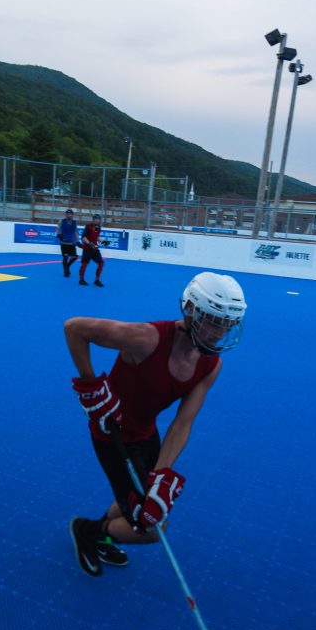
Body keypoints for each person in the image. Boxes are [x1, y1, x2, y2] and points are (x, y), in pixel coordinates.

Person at [65, 272, 247, 576]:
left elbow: (182, 423)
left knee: (144, 501)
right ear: (191, 310)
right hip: (112, 436)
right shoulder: (146, 338)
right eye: (215, 320)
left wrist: (161, 476)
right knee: (151, 528)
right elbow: (74, 329)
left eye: (229, 323)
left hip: (148, 435)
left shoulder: (212, 364)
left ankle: (95, 531)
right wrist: (91, 385)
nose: (221, 332)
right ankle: (88, 532)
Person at [78, 214, 106, 287]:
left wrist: (103, 241)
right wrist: (90, 244)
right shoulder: (88, 226)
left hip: (95, 249)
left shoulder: (99, 227)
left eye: (98, 219)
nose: (97, 220)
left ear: (99, 220)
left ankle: (97, 280)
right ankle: (81, 280)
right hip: (87, 249)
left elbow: (96, 237)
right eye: (95, 219)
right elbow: (83, 237)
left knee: (101, 263)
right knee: (84, 264)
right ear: (93, 219)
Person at [57, 208, 80, 277]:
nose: (68, 215)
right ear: (65, 215)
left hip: (71, 243)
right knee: (65, 257)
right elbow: (57, 229)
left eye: (70, 214)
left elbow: (75, 232)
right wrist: (58, 234)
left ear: (72, 215)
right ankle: (65, 271)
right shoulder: (61, 221)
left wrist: (78, 241)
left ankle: (67, 266)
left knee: (75, 257)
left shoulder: (74, 223)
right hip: (63, 242)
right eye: (67, 214)